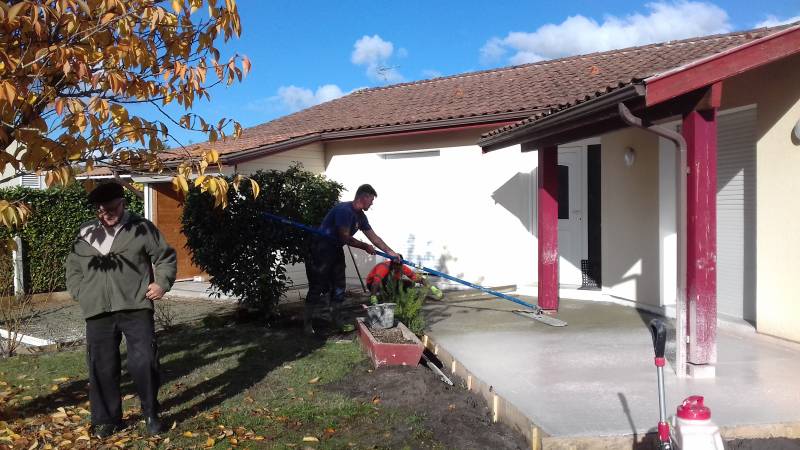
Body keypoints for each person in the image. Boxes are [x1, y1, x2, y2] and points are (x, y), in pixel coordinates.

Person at [65, 182, 177, 438]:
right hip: (97, 311)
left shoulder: (141, 228)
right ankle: (106, 420)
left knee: (144, 361)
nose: (107, 215)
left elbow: (165, 256)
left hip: (135, 306)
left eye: (112, 208)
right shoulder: (86, 232)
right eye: (101, 211)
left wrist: (161, 283)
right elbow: (72, 267)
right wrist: (80, 292)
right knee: (101, 366)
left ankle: (150, 412)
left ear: (123, 203)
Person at [304, 184, 399, 334]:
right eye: (371, 200)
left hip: (335, 248)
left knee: (339, 286)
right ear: (364, 197)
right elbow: (344, 236)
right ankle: (307, 325)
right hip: (321, 248)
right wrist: (365, 246)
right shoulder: (344, 210)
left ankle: (336, 321)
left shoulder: (361, 216)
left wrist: (391, 252)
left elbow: (375, 238)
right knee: (318, 286)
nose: (372, 203)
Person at [365, 258, 444, 304]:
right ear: (392, 264)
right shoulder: (383, 267)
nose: (397, 269)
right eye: (395, 268)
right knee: (381, 284)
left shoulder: (402, 267)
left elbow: (417, 278)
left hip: (389, 283)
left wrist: (433, 288)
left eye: (399, 267)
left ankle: (396, 297)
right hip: (373, 284)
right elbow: (375, 283)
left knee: (409, 283)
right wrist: (373, 297)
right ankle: (378, 296)